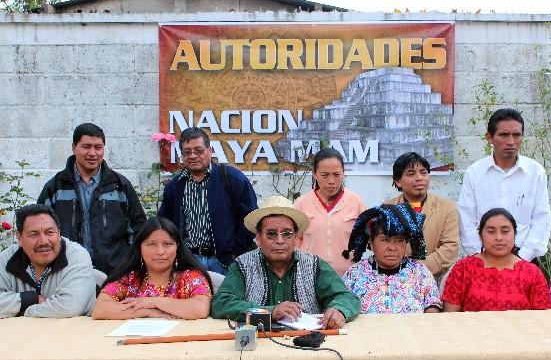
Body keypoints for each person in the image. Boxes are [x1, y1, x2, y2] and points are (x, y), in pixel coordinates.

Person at [211, 196, 361, 328]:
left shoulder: (314, 265)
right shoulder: (242, 266)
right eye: (271, 234)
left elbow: (346, 297)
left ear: (296, 237)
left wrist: (339, 310)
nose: (280, 241)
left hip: (307, 345)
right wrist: (270, 311)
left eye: (287, 234)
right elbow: (221, 303)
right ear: (258, 237)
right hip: (259, 344)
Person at [38, 123, 147, 275]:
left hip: (115, 272)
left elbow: (139, 227)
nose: (92, 153)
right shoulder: (56, 187)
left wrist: (129, 261)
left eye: (98, 147)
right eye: (86, 146)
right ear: (74, 147)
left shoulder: (120, 186)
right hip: (67, 270)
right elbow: (41, 228)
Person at [159, 127, 258, 275]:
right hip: (190, 263)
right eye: (187, 152)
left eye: (198, 150)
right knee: (193, 299)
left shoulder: (232, 179)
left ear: (209, 150)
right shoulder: (174, 187)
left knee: (227, 299)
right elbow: (165, 224)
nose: (192, 156)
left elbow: (251, 218)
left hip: (226, 262)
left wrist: (235, 252)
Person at [457, 108, 551, 262]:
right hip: (483, 258)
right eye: (504, 135)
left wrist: (522, 257)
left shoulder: (535, 172)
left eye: (516, 135)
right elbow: (466, 218)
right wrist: (479, 254)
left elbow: (542, 218)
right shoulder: (474, 173)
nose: (511, 142)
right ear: (489, 137)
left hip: (524, 258)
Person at [92, 217, 212, 320]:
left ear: (177, 247)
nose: (160, 252)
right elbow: (100, 309)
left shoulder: (190, 277)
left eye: (167, 244)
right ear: (140, 248)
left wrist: (152, 301)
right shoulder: (130, 279)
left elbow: (201, 309)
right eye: (151, 244)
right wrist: (147, 312)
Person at [443, 208, 551, 312]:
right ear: (480, 236)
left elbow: (543, 318)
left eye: (505, 231)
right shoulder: (463, 269)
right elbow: (451, 317)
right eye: (491, 231)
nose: (498, 237)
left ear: (515, 234)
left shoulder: (532, 273)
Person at [342, 204, 441, 314]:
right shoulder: (355, 274)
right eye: (385, 240)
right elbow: (341, 306)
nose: (392, 248)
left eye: (399, 240)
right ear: (371, 241)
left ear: (406, 242)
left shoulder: (420, 273)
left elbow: (432, 309)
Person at [0, 204, 95, 318]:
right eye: (34, 234)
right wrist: (30, 298)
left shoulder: (77, 256)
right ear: (19, 238)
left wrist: (23, 311)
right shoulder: (7, 258)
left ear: (59, 233)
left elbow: (71, 307)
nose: (43, 241)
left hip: (72, 333)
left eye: (50, 232)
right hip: (19, 334)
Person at [384, 152, 459, 277]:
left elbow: (450, 248)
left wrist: (417, 271)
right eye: (411, 174)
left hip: (432, 280)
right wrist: (401, 272)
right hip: (394, 280)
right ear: (398, 181)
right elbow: (382, 246)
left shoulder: (447, 208)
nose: (419, 178)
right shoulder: (387, 209)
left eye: (423, 172)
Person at [293, 148, 367, 275]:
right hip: (310, 277)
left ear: (343, 173)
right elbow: (294, 239)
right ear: (314, 174)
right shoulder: (301, 203)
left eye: (336, 174)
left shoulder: (356, 202)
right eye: (324, 175)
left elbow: (369, 237)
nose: (331, 181)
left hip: (348, 278)